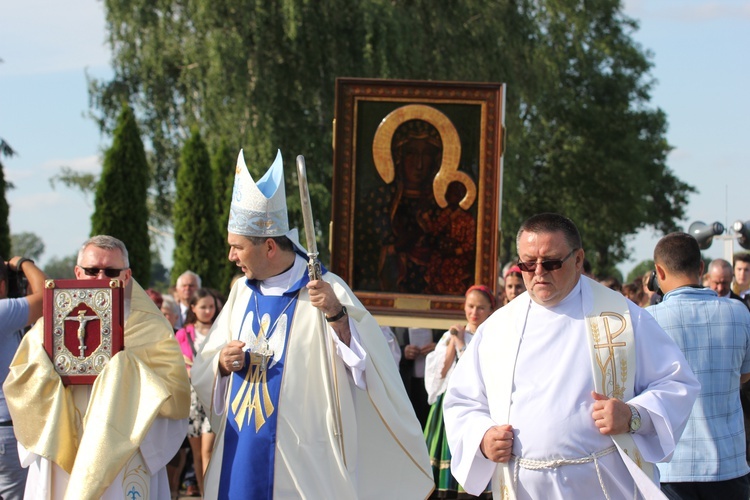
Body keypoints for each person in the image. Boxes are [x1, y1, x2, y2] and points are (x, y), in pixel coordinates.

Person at [191, 150, 432, 499]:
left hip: (306, 458)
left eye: (237, 248)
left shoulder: (326, 289)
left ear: (270, 246)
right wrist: (221, 365)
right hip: (241, 449)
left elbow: (370, 370)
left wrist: (337, 316)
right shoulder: (241, 294)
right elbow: (206, 364)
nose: (231, 257)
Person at [443, 213, 700, 499]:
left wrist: (632, 415)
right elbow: (462, 400)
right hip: (521, 487)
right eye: (528, 263)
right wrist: (483, 437)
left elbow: (677, 383)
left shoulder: (622, 317)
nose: (538, 272)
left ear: (578, 260)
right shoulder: (498, 327)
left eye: (551, 262)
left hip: (601, 485)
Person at [3, 235, 191, 499]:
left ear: (127, 276)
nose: (101, 277)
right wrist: (50, 366)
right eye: (92, 271)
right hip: (65, 439)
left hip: (123, 447)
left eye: (111, 271)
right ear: (78, 273)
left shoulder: (149, 326)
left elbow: (174, 393)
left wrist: (123, 369)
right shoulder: (51, 322)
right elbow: (22, 377)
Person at [646, 232, 750, 498]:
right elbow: (744, 375)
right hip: (727, 461)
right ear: (701, 268)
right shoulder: (738, 312)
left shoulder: (645, 319)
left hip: (669, 465)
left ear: (659, 271)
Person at [424, 285, 495, 499]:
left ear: (490, 310)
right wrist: (452, 343)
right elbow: (440, 373)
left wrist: (462, 344)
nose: (474, 313)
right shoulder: (450, 335)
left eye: (481, 308)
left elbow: (474, 375)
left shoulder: (492, 337)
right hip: (448, 405)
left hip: (478, 406)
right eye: (471, 306)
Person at [0, 256, 45, 499]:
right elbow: (48, 297)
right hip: (5, 429)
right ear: (2, 286)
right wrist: (23, 263)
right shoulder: (3, 311)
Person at [175, 288, 219, 497]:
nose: (208, 311)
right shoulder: (183, 334)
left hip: (213, 394)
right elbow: (174, 363)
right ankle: (203, 492)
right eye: (203, 307)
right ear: (193, 308)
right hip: (191, 398)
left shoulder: (221, 329)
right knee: (196, 454)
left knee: (208, 449)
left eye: (211, 306)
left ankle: (211, 493)